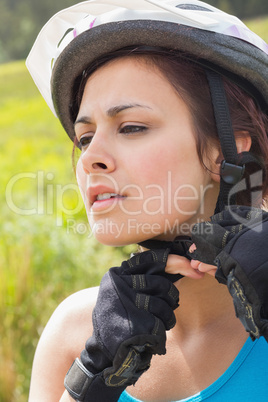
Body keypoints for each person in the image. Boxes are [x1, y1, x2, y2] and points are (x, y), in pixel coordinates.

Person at [26, 1, 268, 401]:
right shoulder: (75, 334)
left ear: (228, 148)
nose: (89, 158)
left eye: (132, 126)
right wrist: (92, 376)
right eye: (85, 138)